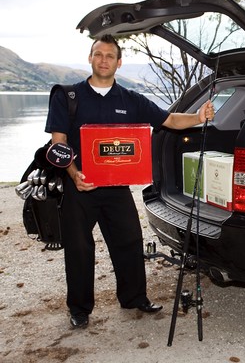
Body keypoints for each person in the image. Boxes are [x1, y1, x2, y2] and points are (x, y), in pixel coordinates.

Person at [44, 34, 215, 329]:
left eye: (110, 56)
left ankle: (134, 297)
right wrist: (74, 174)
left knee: (130, 242)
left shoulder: (130, 99)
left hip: (116, 188)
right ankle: (80, 308)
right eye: (98, 54)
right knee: (79, 249)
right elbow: (56, 145)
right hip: (79, 187)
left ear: (119, 62)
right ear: (90, 58)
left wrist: (198, 116)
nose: (104, 60)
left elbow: (169, 120)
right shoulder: (67, 97)